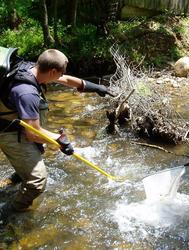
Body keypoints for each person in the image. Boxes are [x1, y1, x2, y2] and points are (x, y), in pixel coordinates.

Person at [0, 49, 112, 224]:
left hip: (22, 128)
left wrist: (94, 87)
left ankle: (17, 177)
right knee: (37, 181)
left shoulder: (35, 69)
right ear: (52, 71)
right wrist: (60, 140)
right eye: (61, 71)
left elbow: (66, 80)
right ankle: (9, 213)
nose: (62, 75)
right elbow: (32, 132)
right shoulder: (26, 92)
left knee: (39, 149)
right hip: (10, 133)